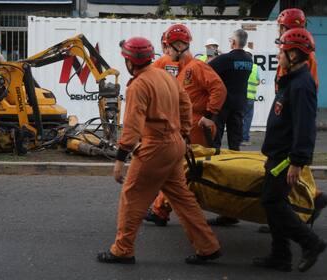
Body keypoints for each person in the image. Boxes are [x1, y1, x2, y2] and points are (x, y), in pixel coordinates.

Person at [97, 36, 221, 265]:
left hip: (155, 146)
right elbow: (186, 104)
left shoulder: (139, 84)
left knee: (132, 197)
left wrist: (119, 159)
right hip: (174, 144)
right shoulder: (166, 76)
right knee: (182, 198)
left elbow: (132, 125)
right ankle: (208, 246)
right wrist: (183, 133)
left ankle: (122, 250)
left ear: (130, 61)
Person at [252, 28, 326, 273]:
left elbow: (305, 127)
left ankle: (311, 243)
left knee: (272, 202)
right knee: (274, 203)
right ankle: (280, 255)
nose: (278, 54)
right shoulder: (292, 80)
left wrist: (297, 161)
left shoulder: (302, 85)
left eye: (281, 50)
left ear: (293, 54)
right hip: (277, 154)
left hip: (285, 158)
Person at [145, 24, 227, 227]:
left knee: (181, 173)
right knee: (180, 172)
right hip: (184, 130)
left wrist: (209, 114)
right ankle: (161, 210)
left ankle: (161, 211)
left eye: (167, 47)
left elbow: (219, 88)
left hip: (197, 129)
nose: (165, 51)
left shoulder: (196, 67)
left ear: (180, 45)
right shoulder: (178, 67)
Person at [209, 29, 253, 151]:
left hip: (223, 103)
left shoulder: (225, 59)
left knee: (216, 138)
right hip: (240, 104)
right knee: (235, 141)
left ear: (233, 42)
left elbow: (206, 69)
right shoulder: (249, 60)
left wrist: (217, 56)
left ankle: (215, 163)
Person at [241, 47, 260, 146]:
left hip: (241, 96)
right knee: (248, 118)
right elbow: (258, 81)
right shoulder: (255, 67)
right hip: (251, 97)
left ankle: (238, 138)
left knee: (240, 118)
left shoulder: (240, 65)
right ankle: (244, 139)